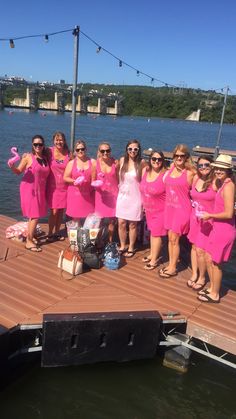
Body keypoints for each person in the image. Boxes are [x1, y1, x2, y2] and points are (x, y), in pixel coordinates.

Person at [198, 154, 235, 303]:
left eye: (222, 169)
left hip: (224, 230)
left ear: (228, 170)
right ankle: (212, 287)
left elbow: (228, 213)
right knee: (209, 257)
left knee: (216, 262)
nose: (219, 171)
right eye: (217, 168)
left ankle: (215, 293)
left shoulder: (229, 186)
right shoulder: (222, 183)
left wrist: (210, 215)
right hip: (218, 228)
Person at [8, 135, 50, 252]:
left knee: (35, 214)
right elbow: (18, 172)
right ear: (32, 145)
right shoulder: (28, 158)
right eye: (35, 144)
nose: (38, 146)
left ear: (43, 146)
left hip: (40, 190)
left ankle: (30, 236)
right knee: (35, 214)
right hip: (29, 189)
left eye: (40, 144)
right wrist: (12, 166)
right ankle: (29, 241)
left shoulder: (45, 158)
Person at [159, 144, 195, 278]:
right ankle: (171, 264)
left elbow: (200, 188)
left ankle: (173, 268)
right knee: (170, 238)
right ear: (173, 157)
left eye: (182, 156)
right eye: (177, 155)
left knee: (174, 238)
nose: (179, 158)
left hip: (182, 210)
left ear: (186, 157)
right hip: (169, 209)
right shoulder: (170, 169)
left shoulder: (190, 173)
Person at [187, 155, 216, 290]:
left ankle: (202, 277)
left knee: (201, 250)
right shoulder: (195, 178)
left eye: (207, 165)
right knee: (193, 247)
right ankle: (194, 273)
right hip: (195, 219)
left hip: (208, 222)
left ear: (212, 166)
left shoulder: (216, 182)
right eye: (200, 165)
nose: (203, 167)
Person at [116, 139, 146, 257]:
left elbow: (145, 183)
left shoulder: (142, 163)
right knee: (121, 222)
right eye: (130, 149)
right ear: (127, 150)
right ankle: (123, 245)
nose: (132, 151)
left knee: (133, 224)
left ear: (138, 150)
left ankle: (132, 247)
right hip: (122, 197)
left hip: (136, 197)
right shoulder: (122, 160)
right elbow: (114, 173)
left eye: (135, 149)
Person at [140, 150, 167, 270]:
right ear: (150, 160)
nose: (156, 161)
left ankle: (154, 260)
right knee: (152, 232)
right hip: (149, 209)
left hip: (161, 210)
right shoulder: (145, 171)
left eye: (159, 159)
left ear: (162, 161)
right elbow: (142, 189)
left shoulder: (165, 175)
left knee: (157, 235)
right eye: (154, 159)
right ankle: (152, 254)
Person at [46, 132, 71, 241]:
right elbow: (36, 153)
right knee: (54, 211)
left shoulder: (68, 153)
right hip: (52, 187)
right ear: (53, 141)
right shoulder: (48, 151)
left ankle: (56, 232)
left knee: (60, 211)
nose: (59, 142)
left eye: (61, 140)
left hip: (64, 187)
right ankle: (50, 233)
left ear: (64, 141)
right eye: (57, 140)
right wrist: (27, 155)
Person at [64, 140, 96, 223]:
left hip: (88, 195)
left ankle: (85, 236)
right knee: (75, 219)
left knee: (89, 219)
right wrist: (75, 181)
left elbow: (95, 178)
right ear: (75, 151)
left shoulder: (92, 162)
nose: (80, 151)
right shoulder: (71, 163)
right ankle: (75, 235)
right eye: (78, 150)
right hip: (75, 195)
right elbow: (65, 177)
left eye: (82, 149)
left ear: (86, 149)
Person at [94, 142, 119, 242]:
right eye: (103, 151)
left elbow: (119, 180)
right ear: (99, 152)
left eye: (107, 150)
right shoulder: (95, 164)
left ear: (110, 151)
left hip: (113, 196)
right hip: (100, 197)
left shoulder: (115, 163)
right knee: (99, 221)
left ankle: (110, 241)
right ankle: (98, 241)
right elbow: (92, 180)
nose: (105, 152)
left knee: (112, 222)